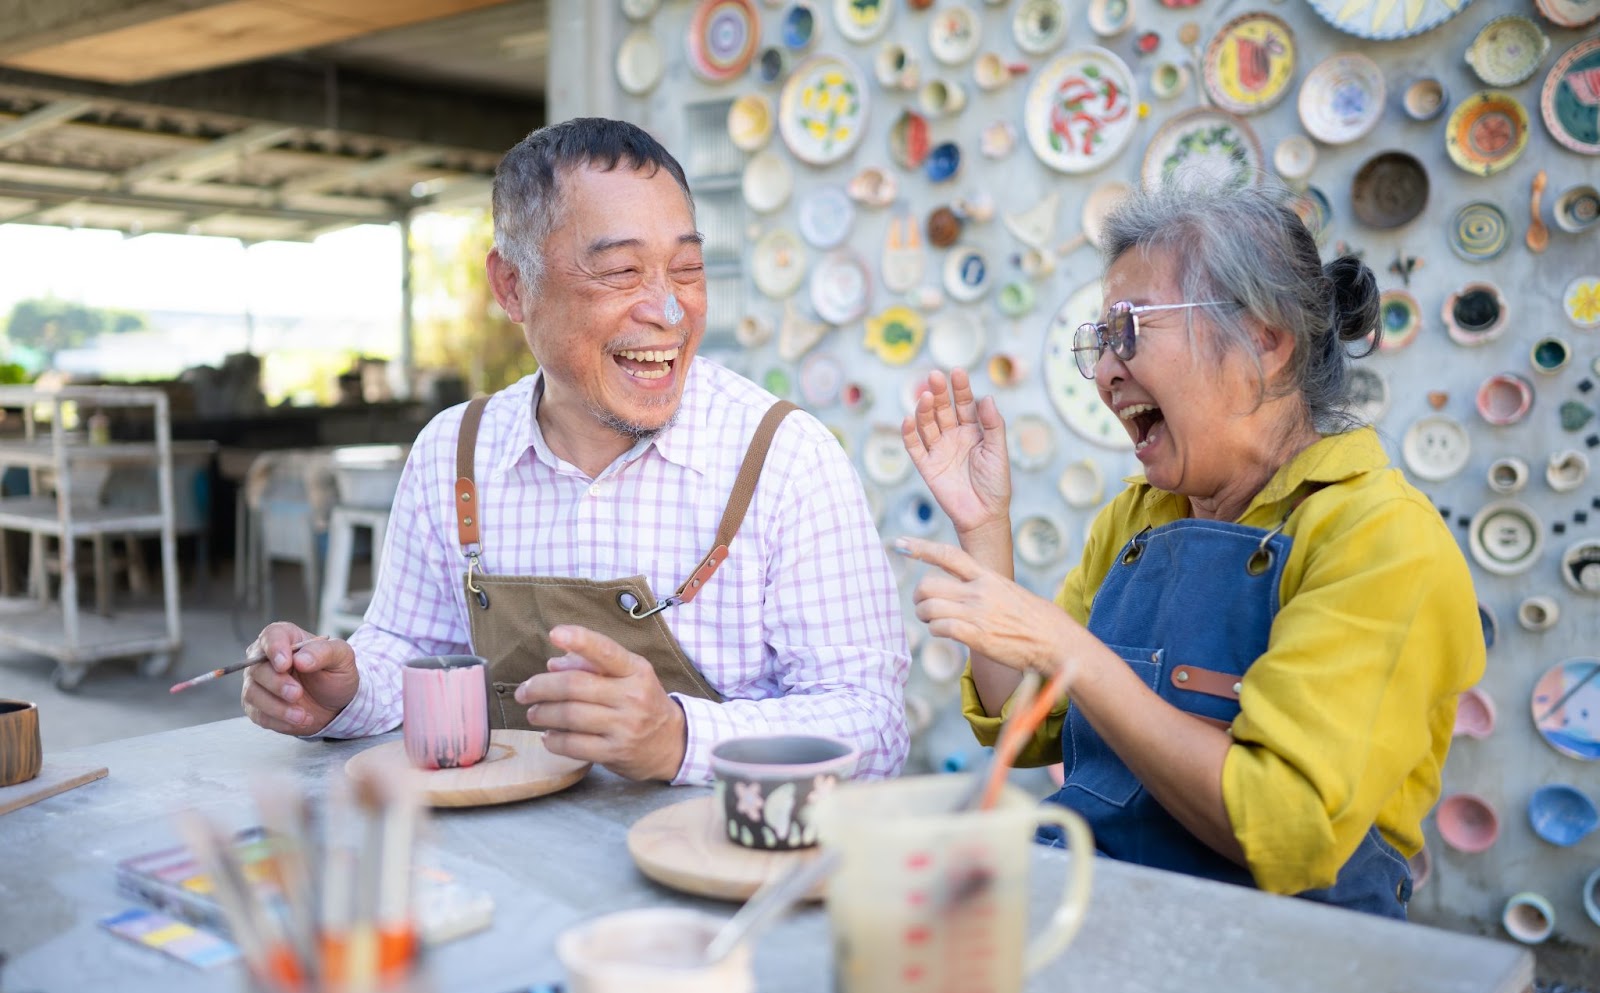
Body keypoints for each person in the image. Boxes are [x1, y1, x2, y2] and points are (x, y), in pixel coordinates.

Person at [240, 118, 909, 784]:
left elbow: (873, 724)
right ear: (512, 288)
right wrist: (344, 692)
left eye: (687, 269)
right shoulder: (454, 451)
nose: (670, 312)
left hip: (725, 871)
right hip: (513, 871)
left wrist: (678, 739)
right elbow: (412, 651)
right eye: (621, 271)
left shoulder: (785, 458)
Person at [897, 182, 1483, 918]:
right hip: (1107, 905)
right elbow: (1027, 725)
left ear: (1265, 342)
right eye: (1101, 340)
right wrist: (985, 530)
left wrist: (1071, 652)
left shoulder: (1381, 539)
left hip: (1289, 950)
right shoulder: (1136, 520)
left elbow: (1283, 828)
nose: (1107, 371)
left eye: (1131, 329)